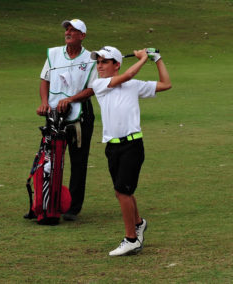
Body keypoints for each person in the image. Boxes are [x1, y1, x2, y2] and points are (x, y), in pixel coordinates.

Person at [90, 46, 171, 256]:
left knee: (123, 192)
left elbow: (166, 84)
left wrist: (157, 59)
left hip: (132, 145)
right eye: (98, 62)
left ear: (116, 64)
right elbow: (128, 74)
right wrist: (143, 58)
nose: (99, 66)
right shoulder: (99, 84)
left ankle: (131, 239)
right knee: (123, 190)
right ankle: (139, 223)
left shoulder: (133, 86)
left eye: (104, 62)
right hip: (112, 146)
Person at [37, 19, 97, 221]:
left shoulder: (91, 58)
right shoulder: (54, 54)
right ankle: (48, 202)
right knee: (50, 160)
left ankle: (73, 207)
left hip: (81, 114)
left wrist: (70, 99)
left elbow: (92, 88)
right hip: (54, 114)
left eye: (74, 30)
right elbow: (44, 80)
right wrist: (44, 102)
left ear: (83, 35)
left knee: (78, 161)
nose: (68, 32)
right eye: (67, 29)